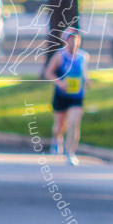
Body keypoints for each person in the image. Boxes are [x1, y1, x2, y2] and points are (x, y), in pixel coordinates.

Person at [44, 28, 89, 166]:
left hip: (76, 96)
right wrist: (59, 83)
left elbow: (84, 74)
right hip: (62, 95)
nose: (73, 42)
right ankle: (56, 139)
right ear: (66, 41)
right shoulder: (60, 56)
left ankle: (71, 153)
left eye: (75, 40)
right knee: (60, 125)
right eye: (70, 39)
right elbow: (48, 73)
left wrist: (87, 82)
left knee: (74, 123)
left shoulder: (83, 56)